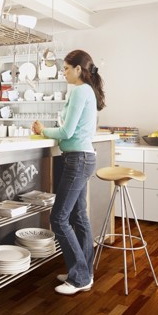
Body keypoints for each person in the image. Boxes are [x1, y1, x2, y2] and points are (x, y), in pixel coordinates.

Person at [32, 49, 106, 295]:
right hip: (84, 158)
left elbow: (66, 132)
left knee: (59, 218)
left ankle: (80, 276)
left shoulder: (79, 91)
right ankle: (84, 273)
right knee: (78, 216)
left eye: (65, 68)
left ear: (78, 69)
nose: (63, 72)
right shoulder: (87, 91)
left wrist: (43, 130)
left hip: (77, 160)